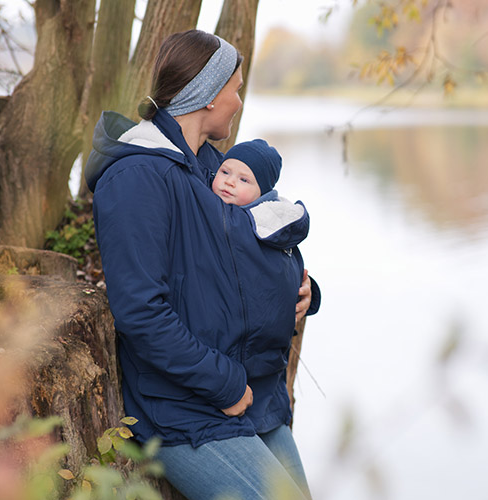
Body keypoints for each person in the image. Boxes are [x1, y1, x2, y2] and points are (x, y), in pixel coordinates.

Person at [85, 29, 320, 500]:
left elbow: (254, 251)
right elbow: (142, 313)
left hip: (254, 398)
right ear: (210, 97)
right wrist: (226, 385)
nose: (237, 100)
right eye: (234, 88)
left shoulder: (212, 168)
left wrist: (306, 290)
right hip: (184, 410)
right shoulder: (137, 176)